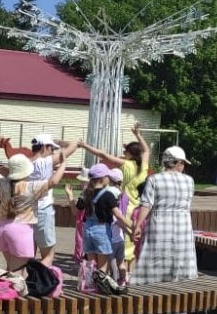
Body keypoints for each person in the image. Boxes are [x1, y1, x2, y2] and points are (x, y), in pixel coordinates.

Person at [0, 133, 82, 266]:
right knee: (48, 254)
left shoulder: (26, 163)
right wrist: (60, 141)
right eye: (51, 148)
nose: (53, 151)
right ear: (44, 148)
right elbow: (74, 145)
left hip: (25, 212)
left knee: (27, 254)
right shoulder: (47, 161)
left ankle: (26, 281)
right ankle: (42, 283)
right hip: (43, 211)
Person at [0, 148, 66, 272]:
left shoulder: (2, 184)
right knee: (17, 275)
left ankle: (5, 289)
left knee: (11, 269)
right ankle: (8, 291)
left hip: (2, 229)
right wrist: (63, 164)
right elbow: (54, 181)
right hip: (20, 230)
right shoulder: (31, 187)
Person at [81, 123, 150, 272]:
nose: (123, 153)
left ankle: (117, 272)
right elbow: (146, 150)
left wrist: (86, 146)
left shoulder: (126, 164)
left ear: (130, 154)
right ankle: (129, 273)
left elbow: (104, 155)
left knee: (122, 239)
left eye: (125, 151)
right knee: (133, 243)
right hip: (141, 207)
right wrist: (137, 134)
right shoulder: (144, 165)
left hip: (126, 205)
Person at [131, 146, 198, 286]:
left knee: (155, 255)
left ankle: (151, 286)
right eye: (183, 163)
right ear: (177, 163)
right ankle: (181, 287)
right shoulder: (189, 181)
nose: (183, 166)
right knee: (180, 256)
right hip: (183, 225)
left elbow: (146, 204)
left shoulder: (154, 179)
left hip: (160, 222)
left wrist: (138, 225)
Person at [77, 163, 135, 290]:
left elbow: (78, 210)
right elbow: (118, 215)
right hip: (101, 231)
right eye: (107, 176)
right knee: (103, 265)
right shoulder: (107, 195)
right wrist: (132, 225)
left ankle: (88, 285)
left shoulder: (86, 193)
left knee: (91, 262)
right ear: (102, 178)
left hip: (87, 230)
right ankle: (100, 287)